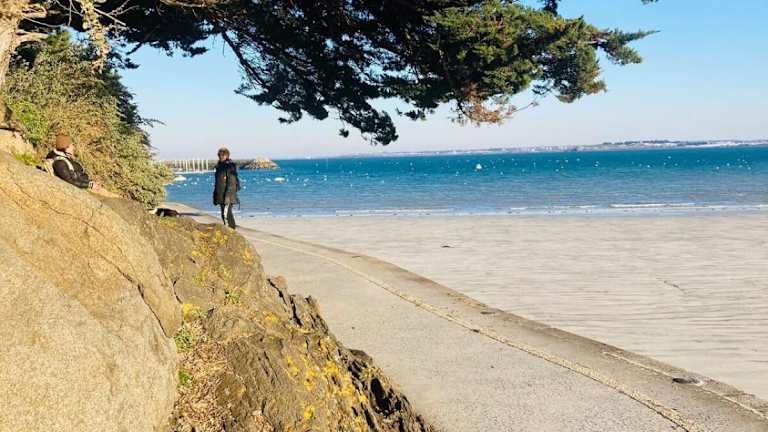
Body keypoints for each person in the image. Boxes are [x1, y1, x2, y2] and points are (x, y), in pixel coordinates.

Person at [213, 147, 240, 229]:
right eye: (219, 155)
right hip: (221, 196)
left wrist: (227, 197)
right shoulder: (219, 167)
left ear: (227, 156)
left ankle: (232, 232)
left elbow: (231, 183)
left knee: (227, 215)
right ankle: (230, 232)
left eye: (223, 155)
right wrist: (215, 196)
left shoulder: (229, 167)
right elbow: (217, 184)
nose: (221, 157)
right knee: (224, 215)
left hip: (228, 196)